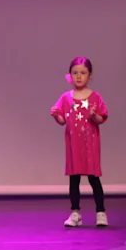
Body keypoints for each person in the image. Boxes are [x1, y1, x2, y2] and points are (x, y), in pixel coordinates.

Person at [51, 57, 109, 227]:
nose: (78, 76)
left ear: (90, 76)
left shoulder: (95, 97)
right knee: (74, 179)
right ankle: (75, 213)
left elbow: (101, 119)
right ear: (70, 75)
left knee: (94, 179)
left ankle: (100, 212)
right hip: (74, 146)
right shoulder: (66, 98)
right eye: (75, 73)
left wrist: (94, 116)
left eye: (83, 73)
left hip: (90, 145)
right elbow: (63, 121)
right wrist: (56, 116)